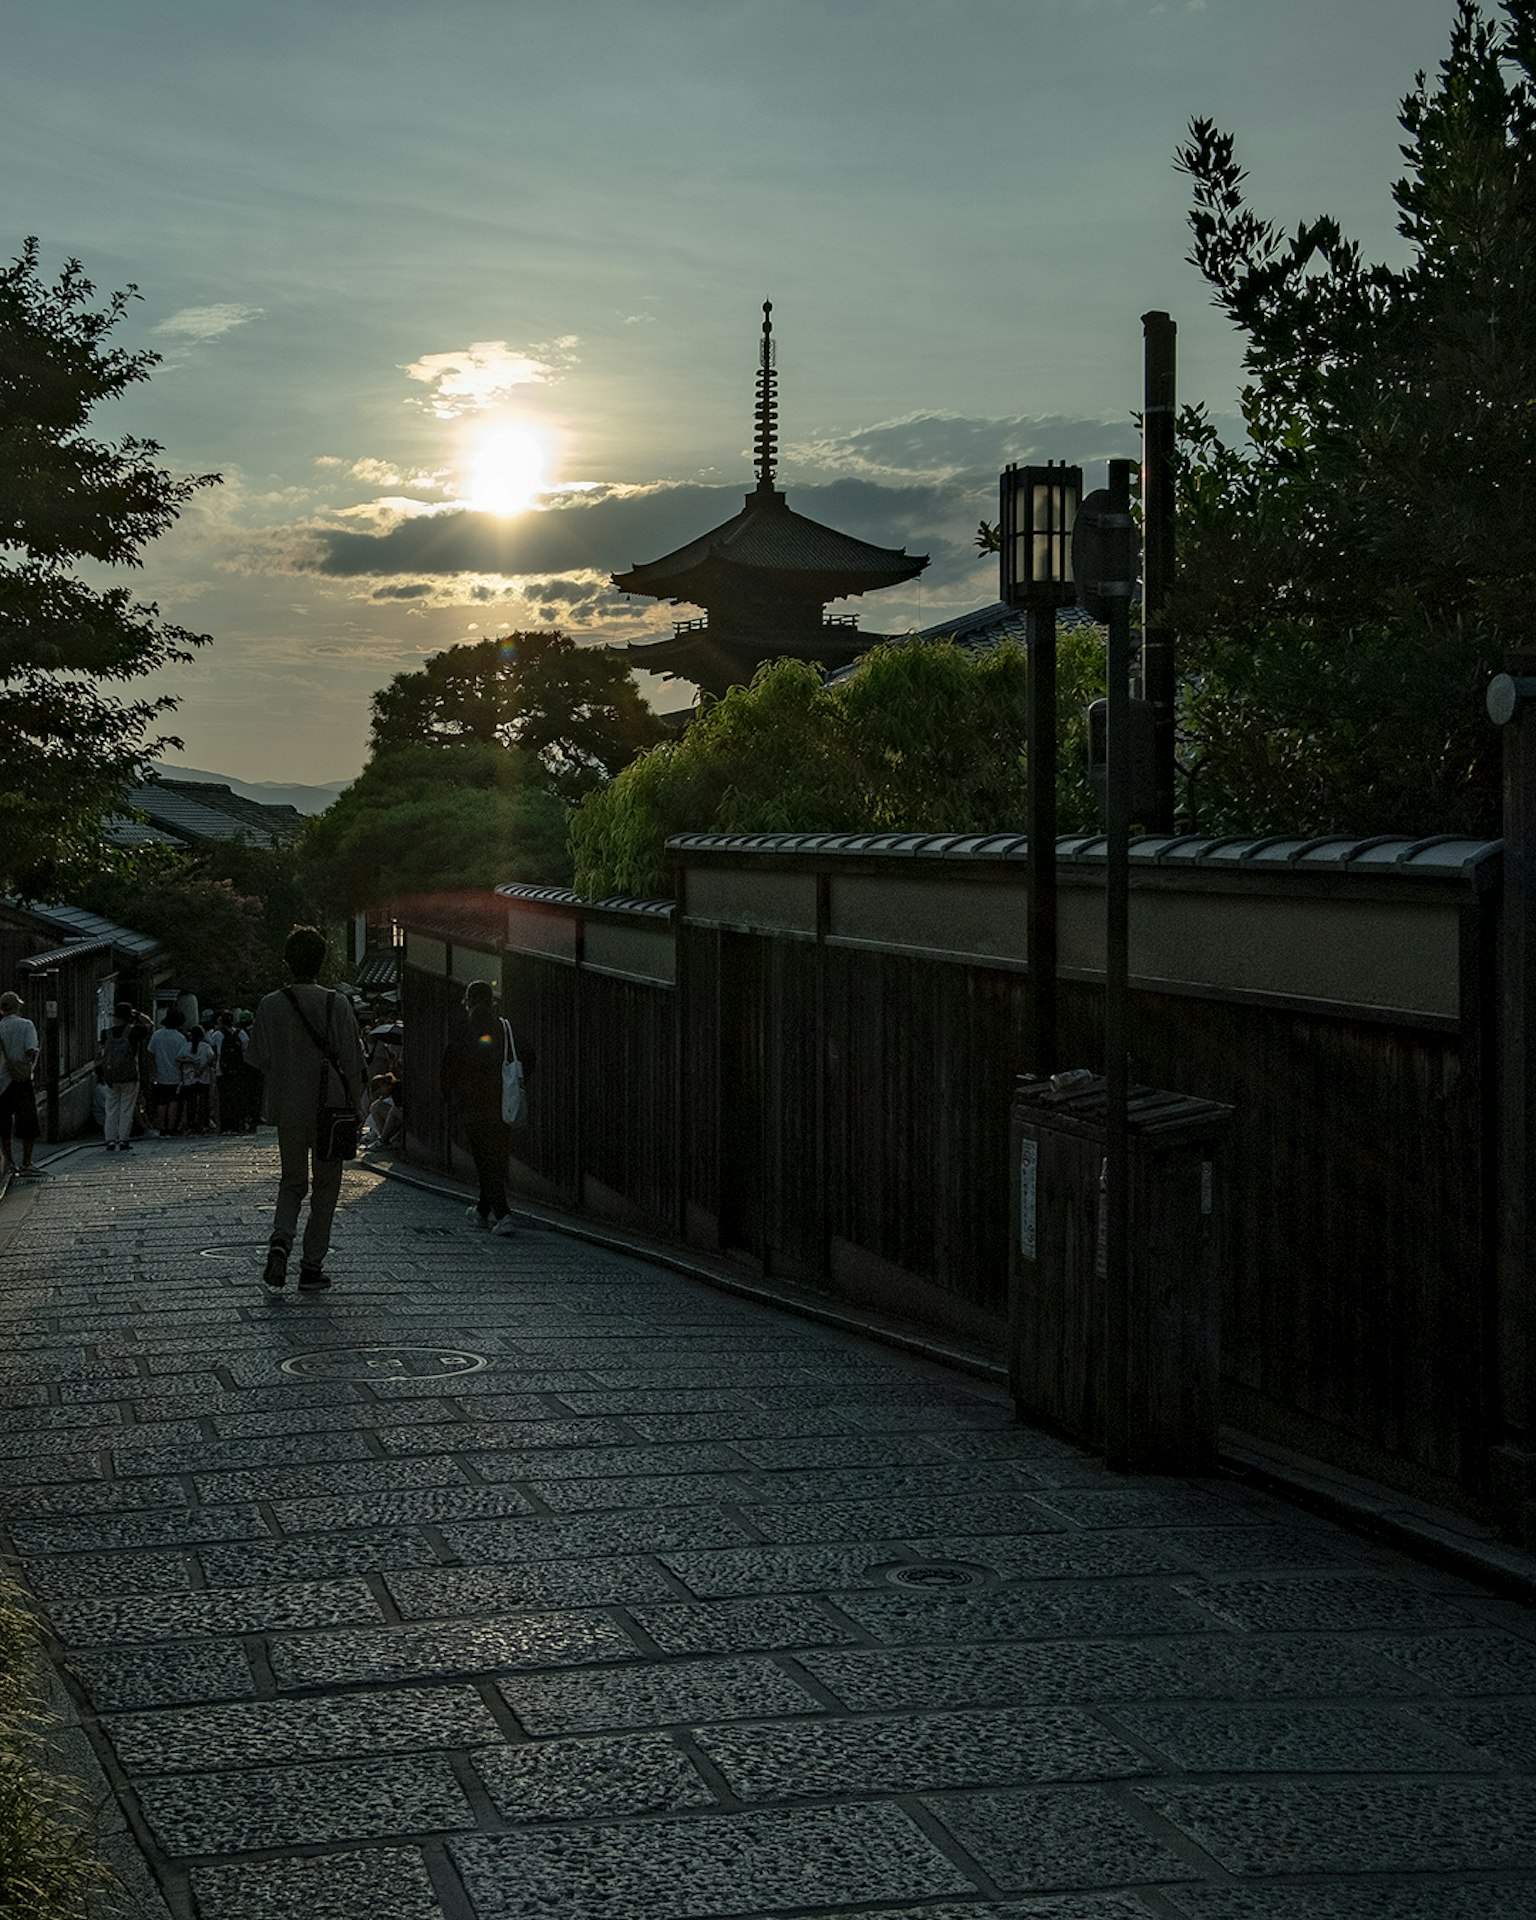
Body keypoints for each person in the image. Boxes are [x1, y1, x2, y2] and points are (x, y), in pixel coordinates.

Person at [246, 925, 367, 1292]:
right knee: (326, 1188)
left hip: (288, 1105)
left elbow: (257, 1058)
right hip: (331, 1107)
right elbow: (353, 1060)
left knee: (292, 1182)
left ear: (287, 963)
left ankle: (281, 1239)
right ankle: (311, 1266)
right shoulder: (337, 1003)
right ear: (322, 962)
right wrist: (357, 1107)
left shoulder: (270, 1005)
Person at [441, 979, 532, 1236]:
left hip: (472, 1106)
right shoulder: (505, 1028)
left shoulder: (462, 1029)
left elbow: (449, 1067)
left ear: (469, 1001)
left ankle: (503, 1215)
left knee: (484, 1161)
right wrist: (514, 1084)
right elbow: (529, 1055)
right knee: (494, 1158)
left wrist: (450, 1096)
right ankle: (482, 1210)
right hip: (501, 1105)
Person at [0, 990, 44, 1179]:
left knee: (3, 1123)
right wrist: (29, 1068)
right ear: (17, 1006)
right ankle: (27, 1162)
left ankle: (9, 1162)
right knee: (28, 1121)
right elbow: (31, 1051)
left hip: (1, 1081)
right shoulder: (26, 1025)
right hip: (21, 1080)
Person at [96, 1001, 149, 1151]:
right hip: (130, 1075)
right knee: (127, 1107)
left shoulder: (105, 1033)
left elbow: (100, 1054)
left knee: (111, 1107)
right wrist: (138, 1015)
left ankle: (110, 1140)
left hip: (111, 1076)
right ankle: (123, 1139)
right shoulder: (134, 1032)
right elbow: (149, 1024)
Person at [146, 1008, 190, 1135]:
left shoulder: (157, 1035)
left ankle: (161, 1128)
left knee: (161, 1102)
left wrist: (152, 1070)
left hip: (160, 1074)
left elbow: (151, 1053)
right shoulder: (180, 1038)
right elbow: (182, 1057)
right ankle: (171, 1128)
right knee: (173, 1102)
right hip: (175, 1075)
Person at [180, 1025, 217, 1133]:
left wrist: (189, 1061)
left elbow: (178, 1058)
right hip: (203, 1078)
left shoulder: (186, 1046)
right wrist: (202, 1067)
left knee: (191, 1102)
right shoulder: (205, 1046)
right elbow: (212, 1056)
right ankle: (203, 1123)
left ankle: (191, 1124)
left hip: (189, 1078)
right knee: (203, 1102)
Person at [365, 1072, 403, 1151]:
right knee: (375, 1107)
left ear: (383, 1087)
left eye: (380, 1093)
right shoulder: (392, 1090)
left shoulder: (397, 1089)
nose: (381, 1095)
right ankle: (384, 1138)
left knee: (393, 1110)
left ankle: (383, 1140)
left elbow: (398, 1109)